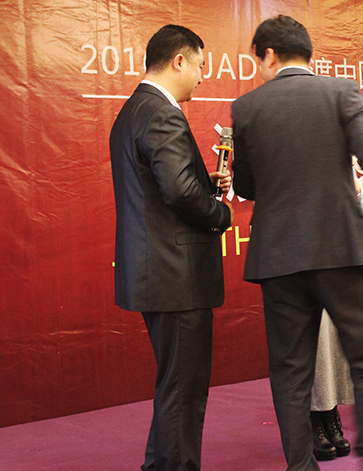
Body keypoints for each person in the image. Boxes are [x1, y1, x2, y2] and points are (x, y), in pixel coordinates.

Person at [231, 15, 363, 471]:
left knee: (290, 371)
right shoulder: (341, 92)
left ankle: (299, 465)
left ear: (268, 55)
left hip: (278, 258)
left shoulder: (247, 107)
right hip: (339, 249)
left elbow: (246, 186)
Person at [109, 24, 232, 471]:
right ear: (179, 61)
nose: (202, 76)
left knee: (175, 386)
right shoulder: (162, 114)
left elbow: (163, 188)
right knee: (183, 390)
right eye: (200, 65)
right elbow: (179, 193)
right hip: (177, 276)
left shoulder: (134, 111)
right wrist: (221, 214)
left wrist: (203, 182)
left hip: (157, 272)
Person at [308, 166, 363, 462]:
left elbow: (362, 214)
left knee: (334, 343)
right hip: (302, 261)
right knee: (316, 344)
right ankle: (314, 419)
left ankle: (331, 414)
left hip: (338, 259)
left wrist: (356, 190)